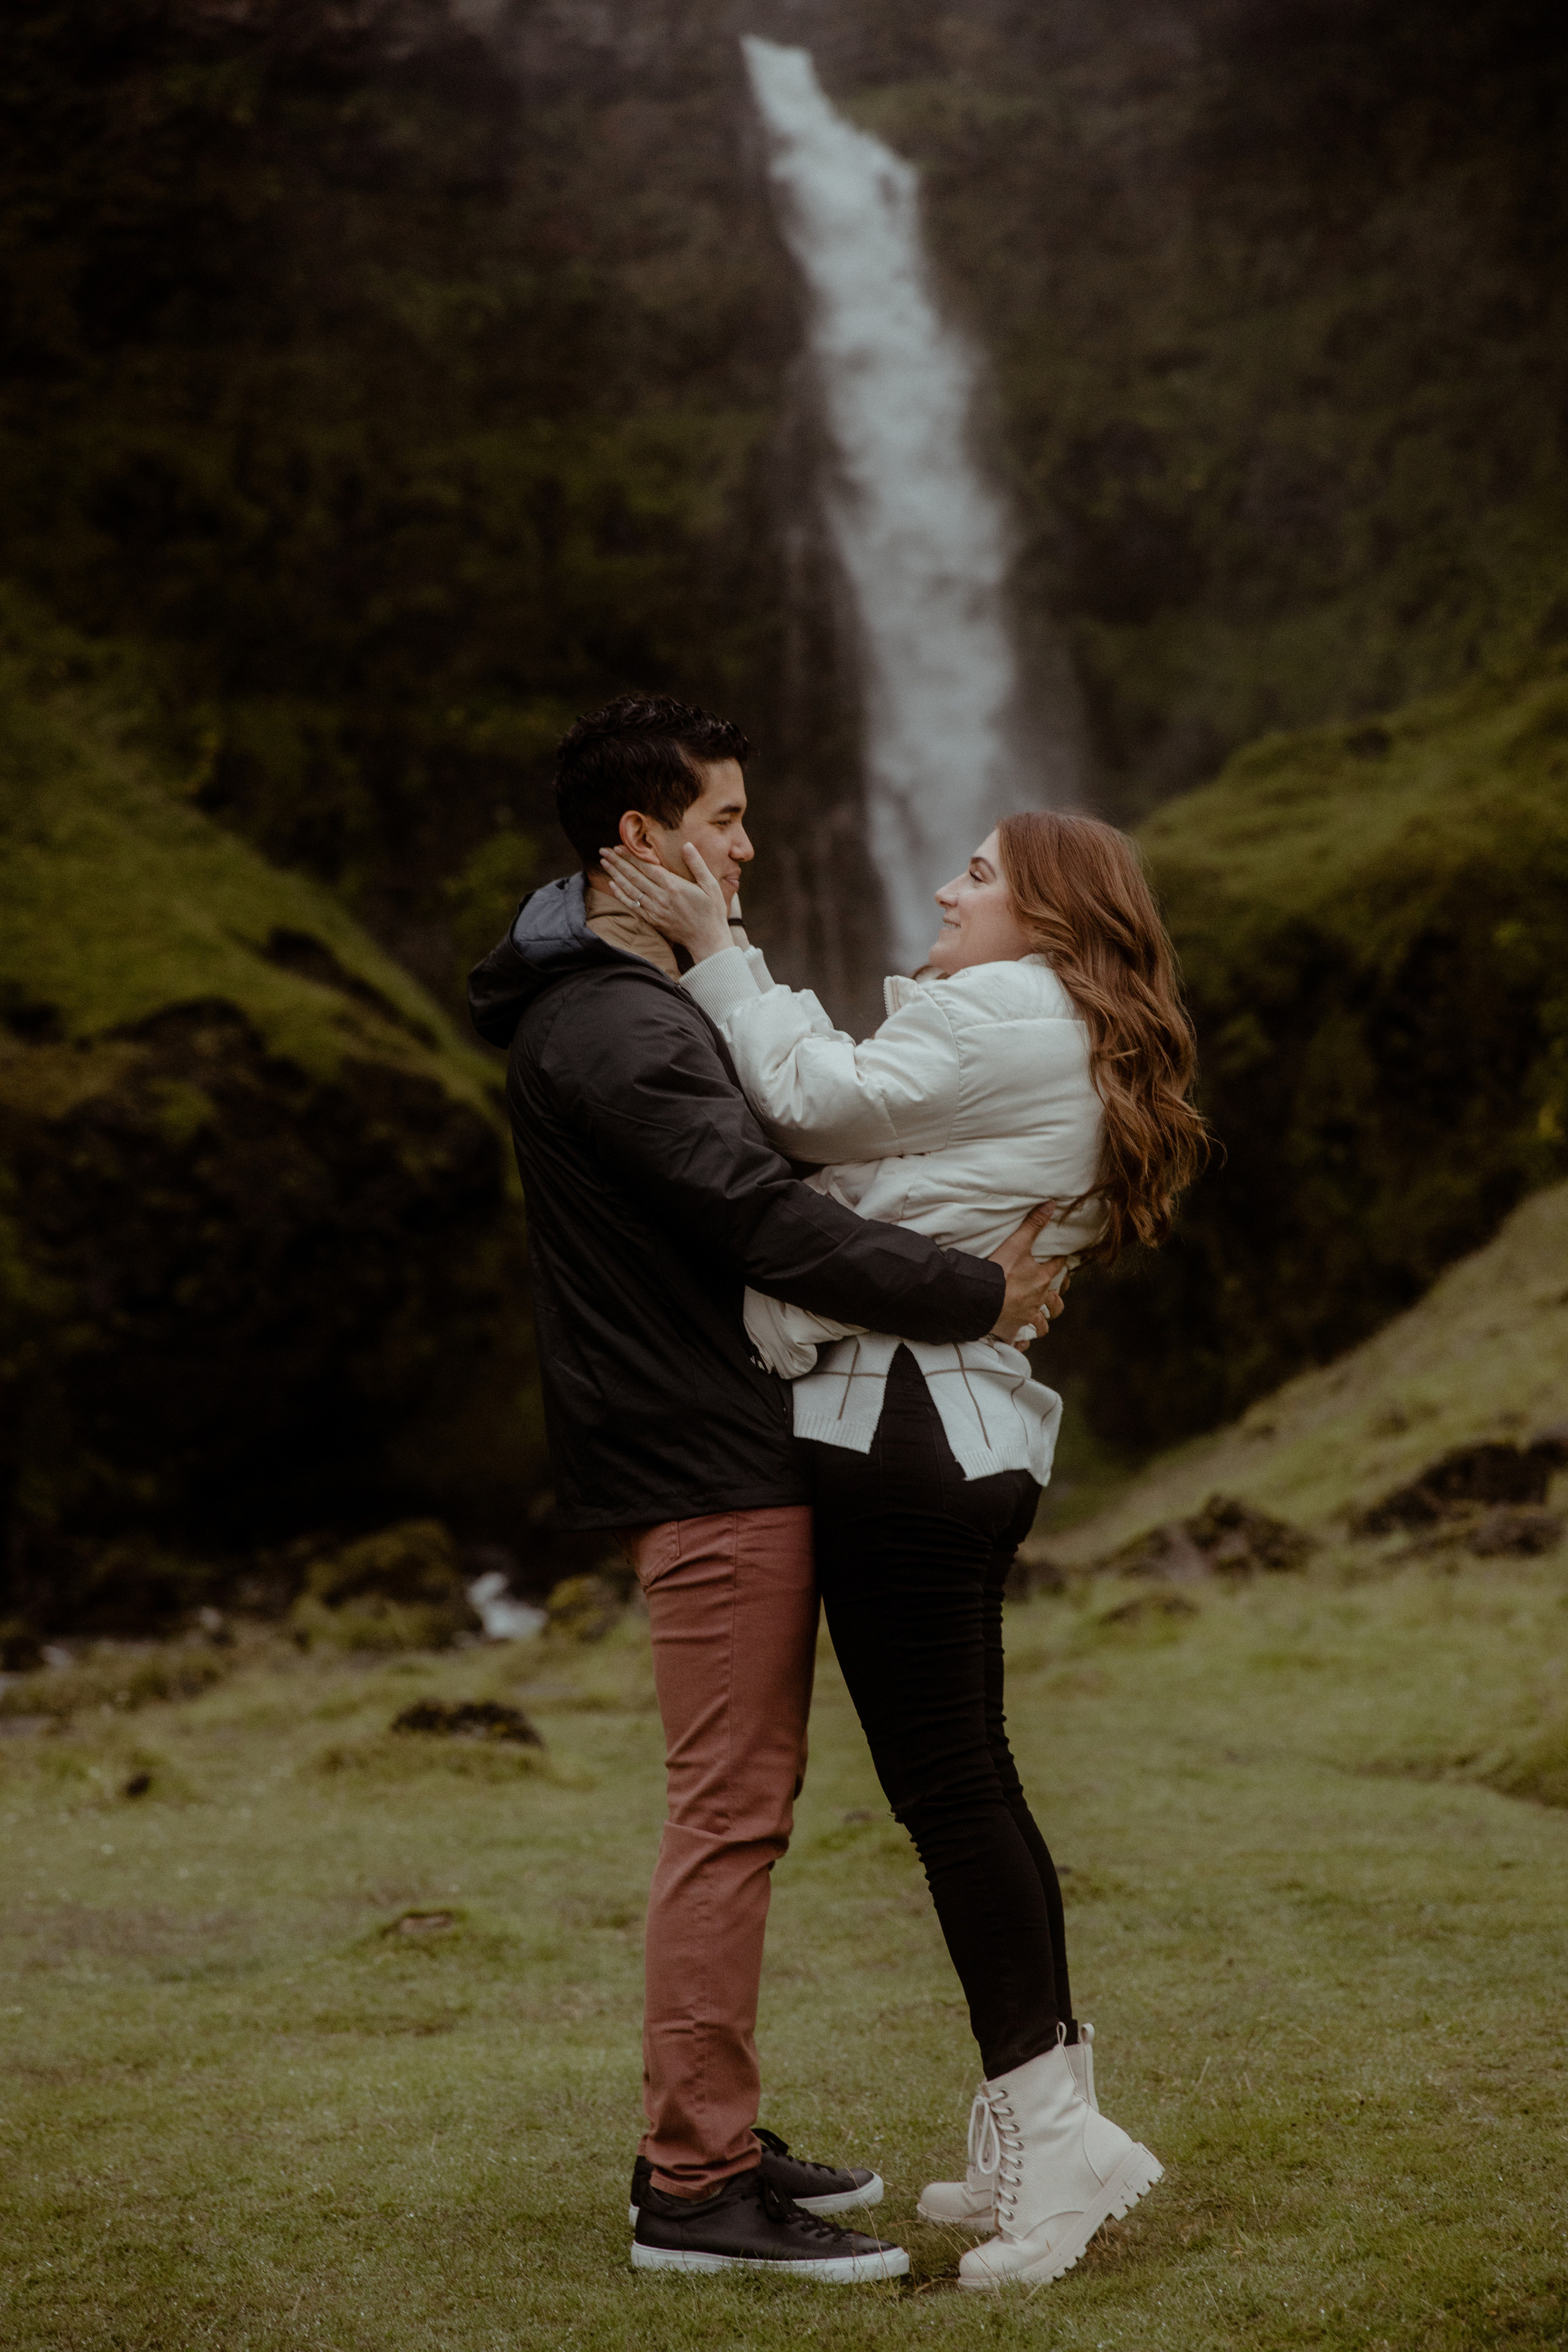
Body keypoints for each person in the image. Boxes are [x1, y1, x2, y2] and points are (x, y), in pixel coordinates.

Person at [467, 695, 1069, 2285]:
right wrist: (973, 1293)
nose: (750, 847)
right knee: (729, 1818)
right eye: (725, 821)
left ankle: (716, 2130)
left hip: (733, 1441)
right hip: (706, 1459)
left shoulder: (629, 1007)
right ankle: (695, 2187)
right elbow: (771, 1219)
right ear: (644, 844)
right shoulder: (625, 1026)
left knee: (749, 1807)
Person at [600, 804, 1208, 2291]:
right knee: (962, 1783)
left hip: (907, 1438)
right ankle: (1046, 2123)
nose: (946, 888)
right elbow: (860, 1196)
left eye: (981, 874)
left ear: (1052, 917)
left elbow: (809, 1108)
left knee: (952, 1790)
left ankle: (1053, 2151)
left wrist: (719, 944)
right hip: (946, 1431)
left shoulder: (1009, 1003)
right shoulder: (1049, 1022)